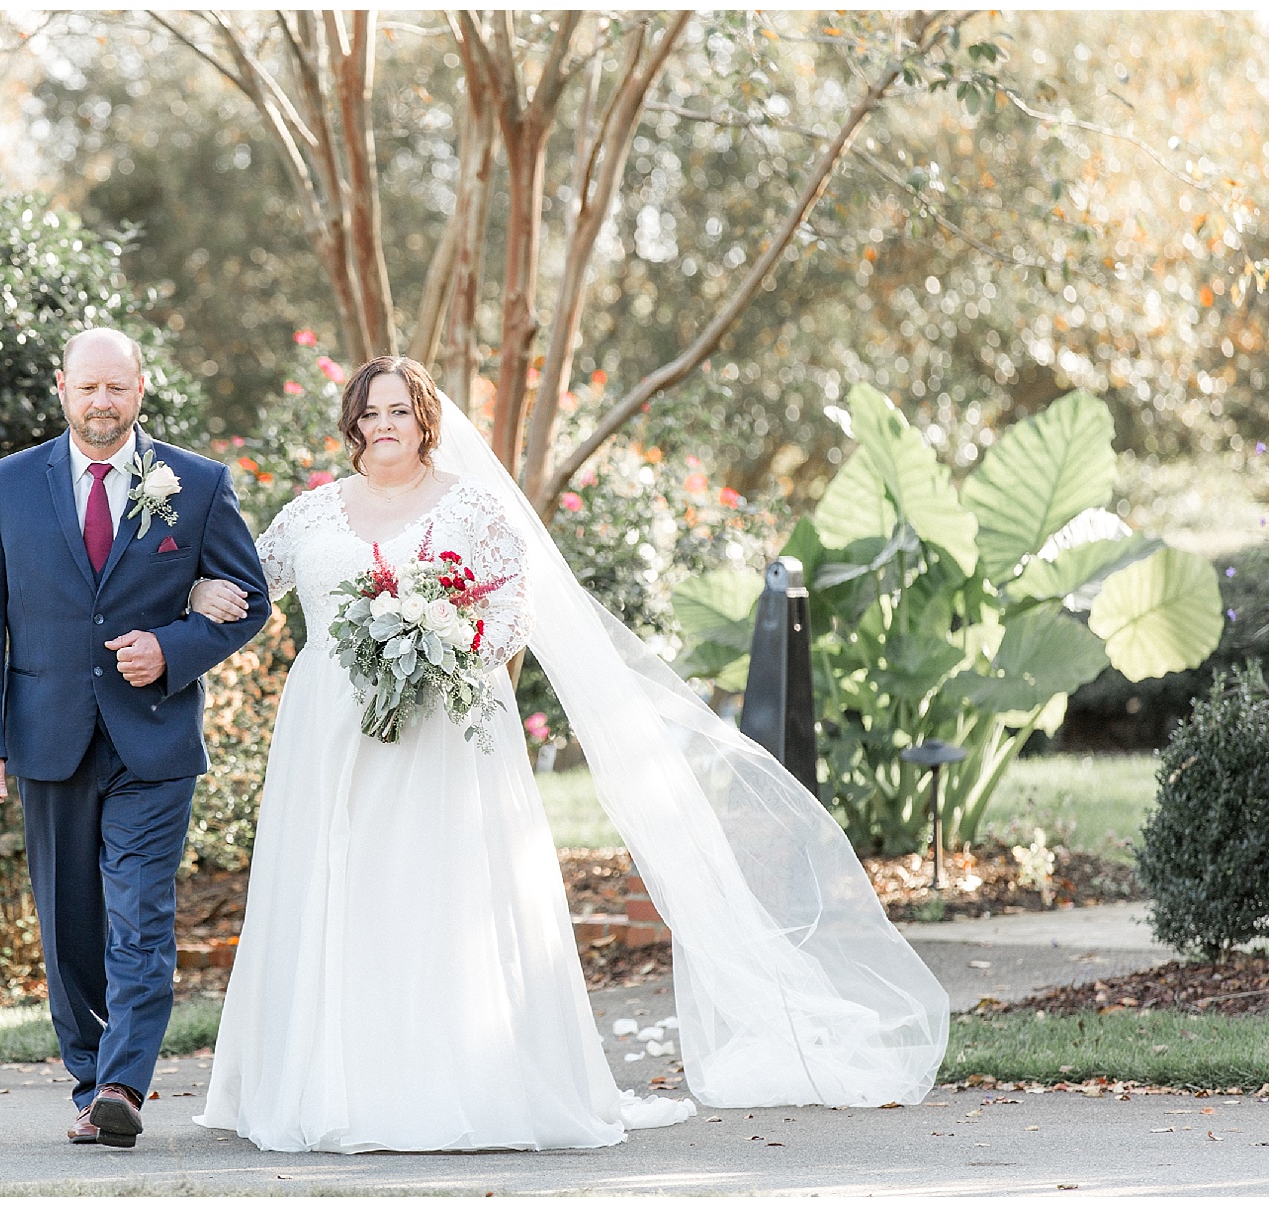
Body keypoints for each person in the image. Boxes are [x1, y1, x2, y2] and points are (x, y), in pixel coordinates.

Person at [185, 356, 948, 1154]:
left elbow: (512, 614)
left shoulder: (471, 509)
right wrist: (201, 593)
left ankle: (445, 1081)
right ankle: (326, 1079)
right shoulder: (312, 514)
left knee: (426, 890)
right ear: (352, 422)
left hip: (441, 734)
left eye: (401, 412)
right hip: (327, 738)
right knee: (337, 890)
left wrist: (444, 641)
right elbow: (247, 583)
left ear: (425, 423)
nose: (385, 425)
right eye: (371, 411)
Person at [0, 327, 271, 1149]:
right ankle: (90, 1078)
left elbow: (249, 596)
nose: (102, 402)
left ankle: (124, 1081)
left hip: (153, 740)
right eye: (87, 387)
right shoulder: (5, 485)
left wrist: (174, 647)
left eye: (116, 388)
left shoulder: (195, 484)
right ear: (62, 387)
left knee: (140, 912)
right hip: (46, 735)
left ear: (139, 389)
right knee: (70, 926)